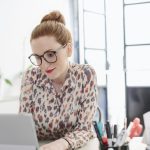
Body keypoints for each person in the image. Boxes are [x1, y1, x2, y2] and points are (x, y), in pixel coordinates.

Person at [19, 10, 98, 150]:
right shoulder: (30, 77)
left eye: (50, 54)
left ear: (68, 49)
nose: (44, 65)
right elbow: (23, 126)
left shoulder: (85, 74)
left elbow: (85, 129)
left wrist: (62, 143)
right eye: (38, 57)